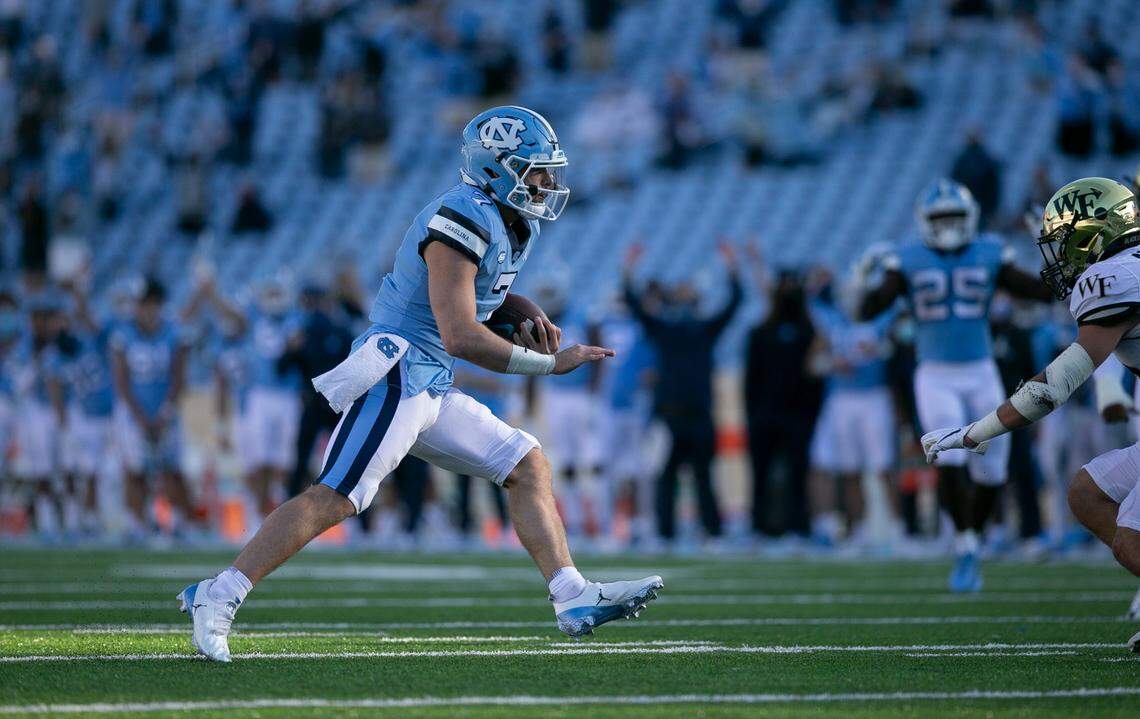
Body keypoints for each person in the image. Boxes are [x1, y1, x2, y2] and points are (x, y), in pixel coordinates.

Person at [178, 106, 663, 662]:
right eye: (535, 171)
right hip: (400, 370)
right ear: (497, 169)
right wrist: (551, 365)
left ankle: (571, 595)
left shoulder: (505, 219)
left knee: (527, 464)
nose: (547, 183)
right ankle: (218, 594)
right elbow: (459, 333)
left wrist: (521, 308)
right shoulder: (463, 215)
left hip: (430, 382)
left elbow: (482, 297)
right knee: (337, 496)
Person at [919, 177, 1140, 650]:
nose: (1061, 255)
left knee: (1131, 542)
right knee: (1087, 492)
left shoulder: (1114, 279)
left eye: (1066, 241)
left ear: (1093, 234)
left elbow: (1056, 384)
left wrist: (975, 431)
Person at [859, 179, 1052, 592]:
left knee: (993, 466)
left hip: (982, 371)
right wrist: (867, 284)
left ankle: (972, 540)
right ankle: (965, 545)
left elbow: (1040, 292)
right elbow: (868, 310)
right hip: (935, 374)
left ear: (970, 219)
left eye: (953, 217)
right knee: (949, 453)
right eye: (939, 218)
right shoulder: (906, 258)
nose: (947, 226)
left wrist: (1051, 250)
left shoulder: (990, 251)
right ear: (924, 222)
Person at [622, 240, 743, 543]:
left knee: (703, 477)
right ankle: (666, 533)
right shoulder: (665, 327)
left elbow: (735, 301)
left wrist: (731, 267)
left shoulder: (704, 329)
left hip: (700, 414)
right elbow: (633, 303)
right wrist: (628, 269)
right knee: (668, 477)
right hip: (670, 415)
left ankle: (712, 532)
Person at [110, 279, 198, 541]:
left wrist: (165, 413)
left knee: (172, 469)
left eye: (153, 304)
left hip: (165, 412)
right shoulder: (123, 334)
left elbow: (179, 376)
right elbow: (121, 380)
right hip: (132, 413)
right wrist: (139, 416)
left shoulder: (173, 332)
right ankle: (138, 523)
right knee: (135, 470)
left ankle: (182, 523)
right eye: (144, 304)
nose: (149, 310)